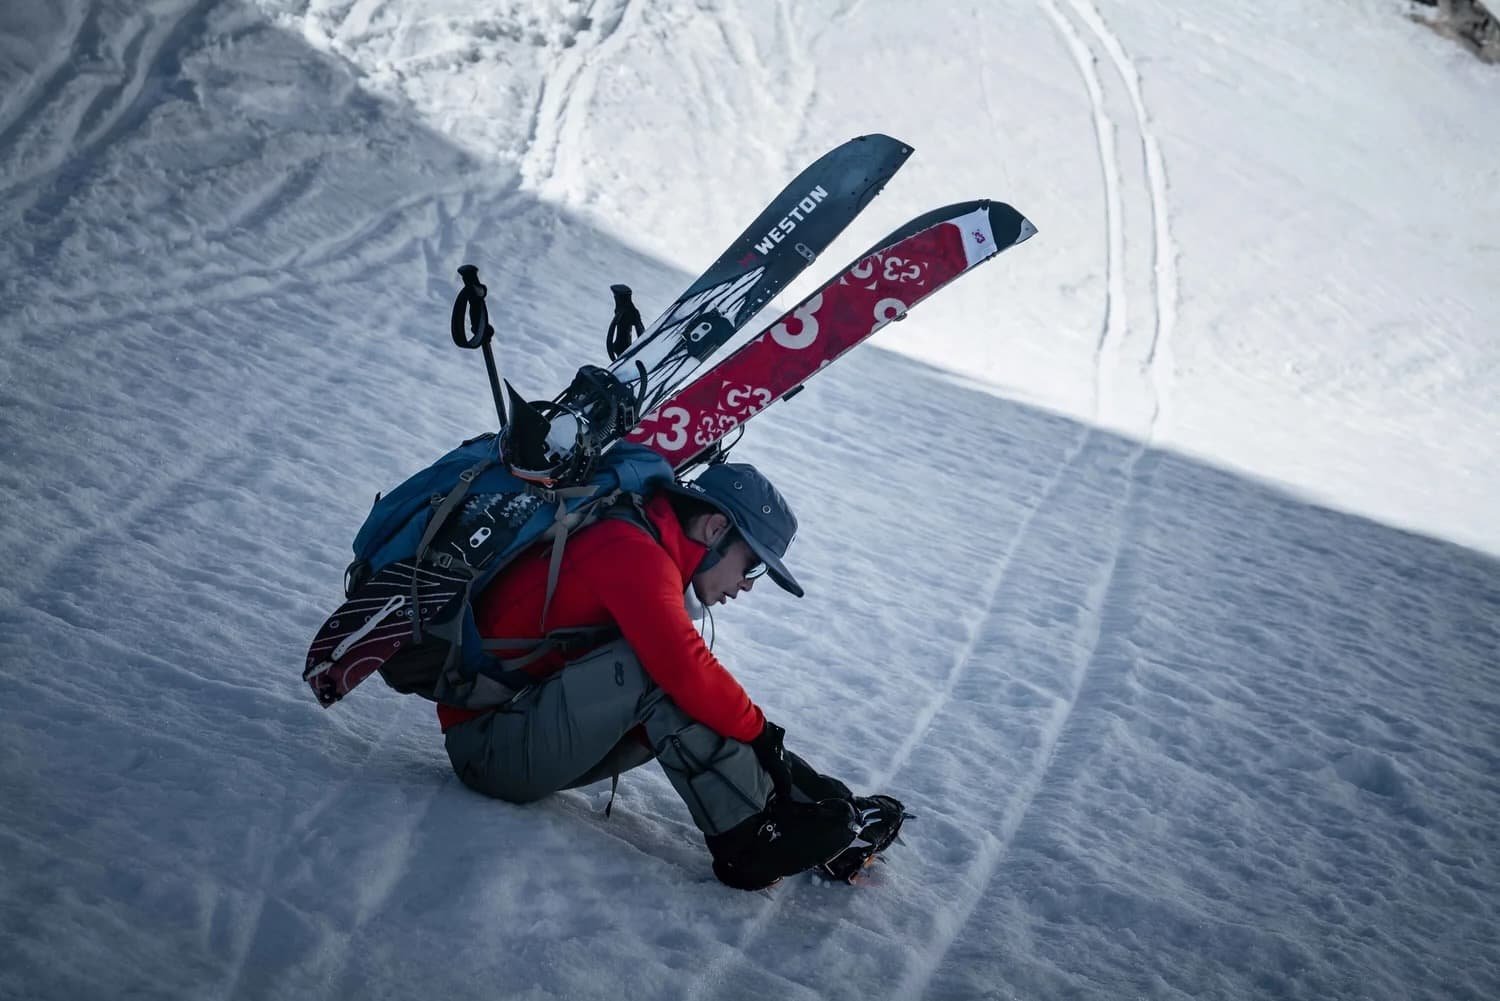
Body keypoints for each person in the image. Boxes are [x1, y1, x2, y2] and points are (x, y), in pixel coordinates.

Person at [438, 460, 867, 890]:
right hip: (490, 750)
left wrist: (788, 771)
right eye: (752, 564)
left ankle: (792, 813)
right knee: (658, 670)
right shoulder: (629, 547)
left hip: (523, 726)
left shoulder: (642, 539)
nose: (748, 584)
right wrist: (764, 737)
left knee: (686, 688)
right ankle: (753, 841)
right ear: (716, 528)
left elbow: (694, 686)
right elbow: (683, 669)